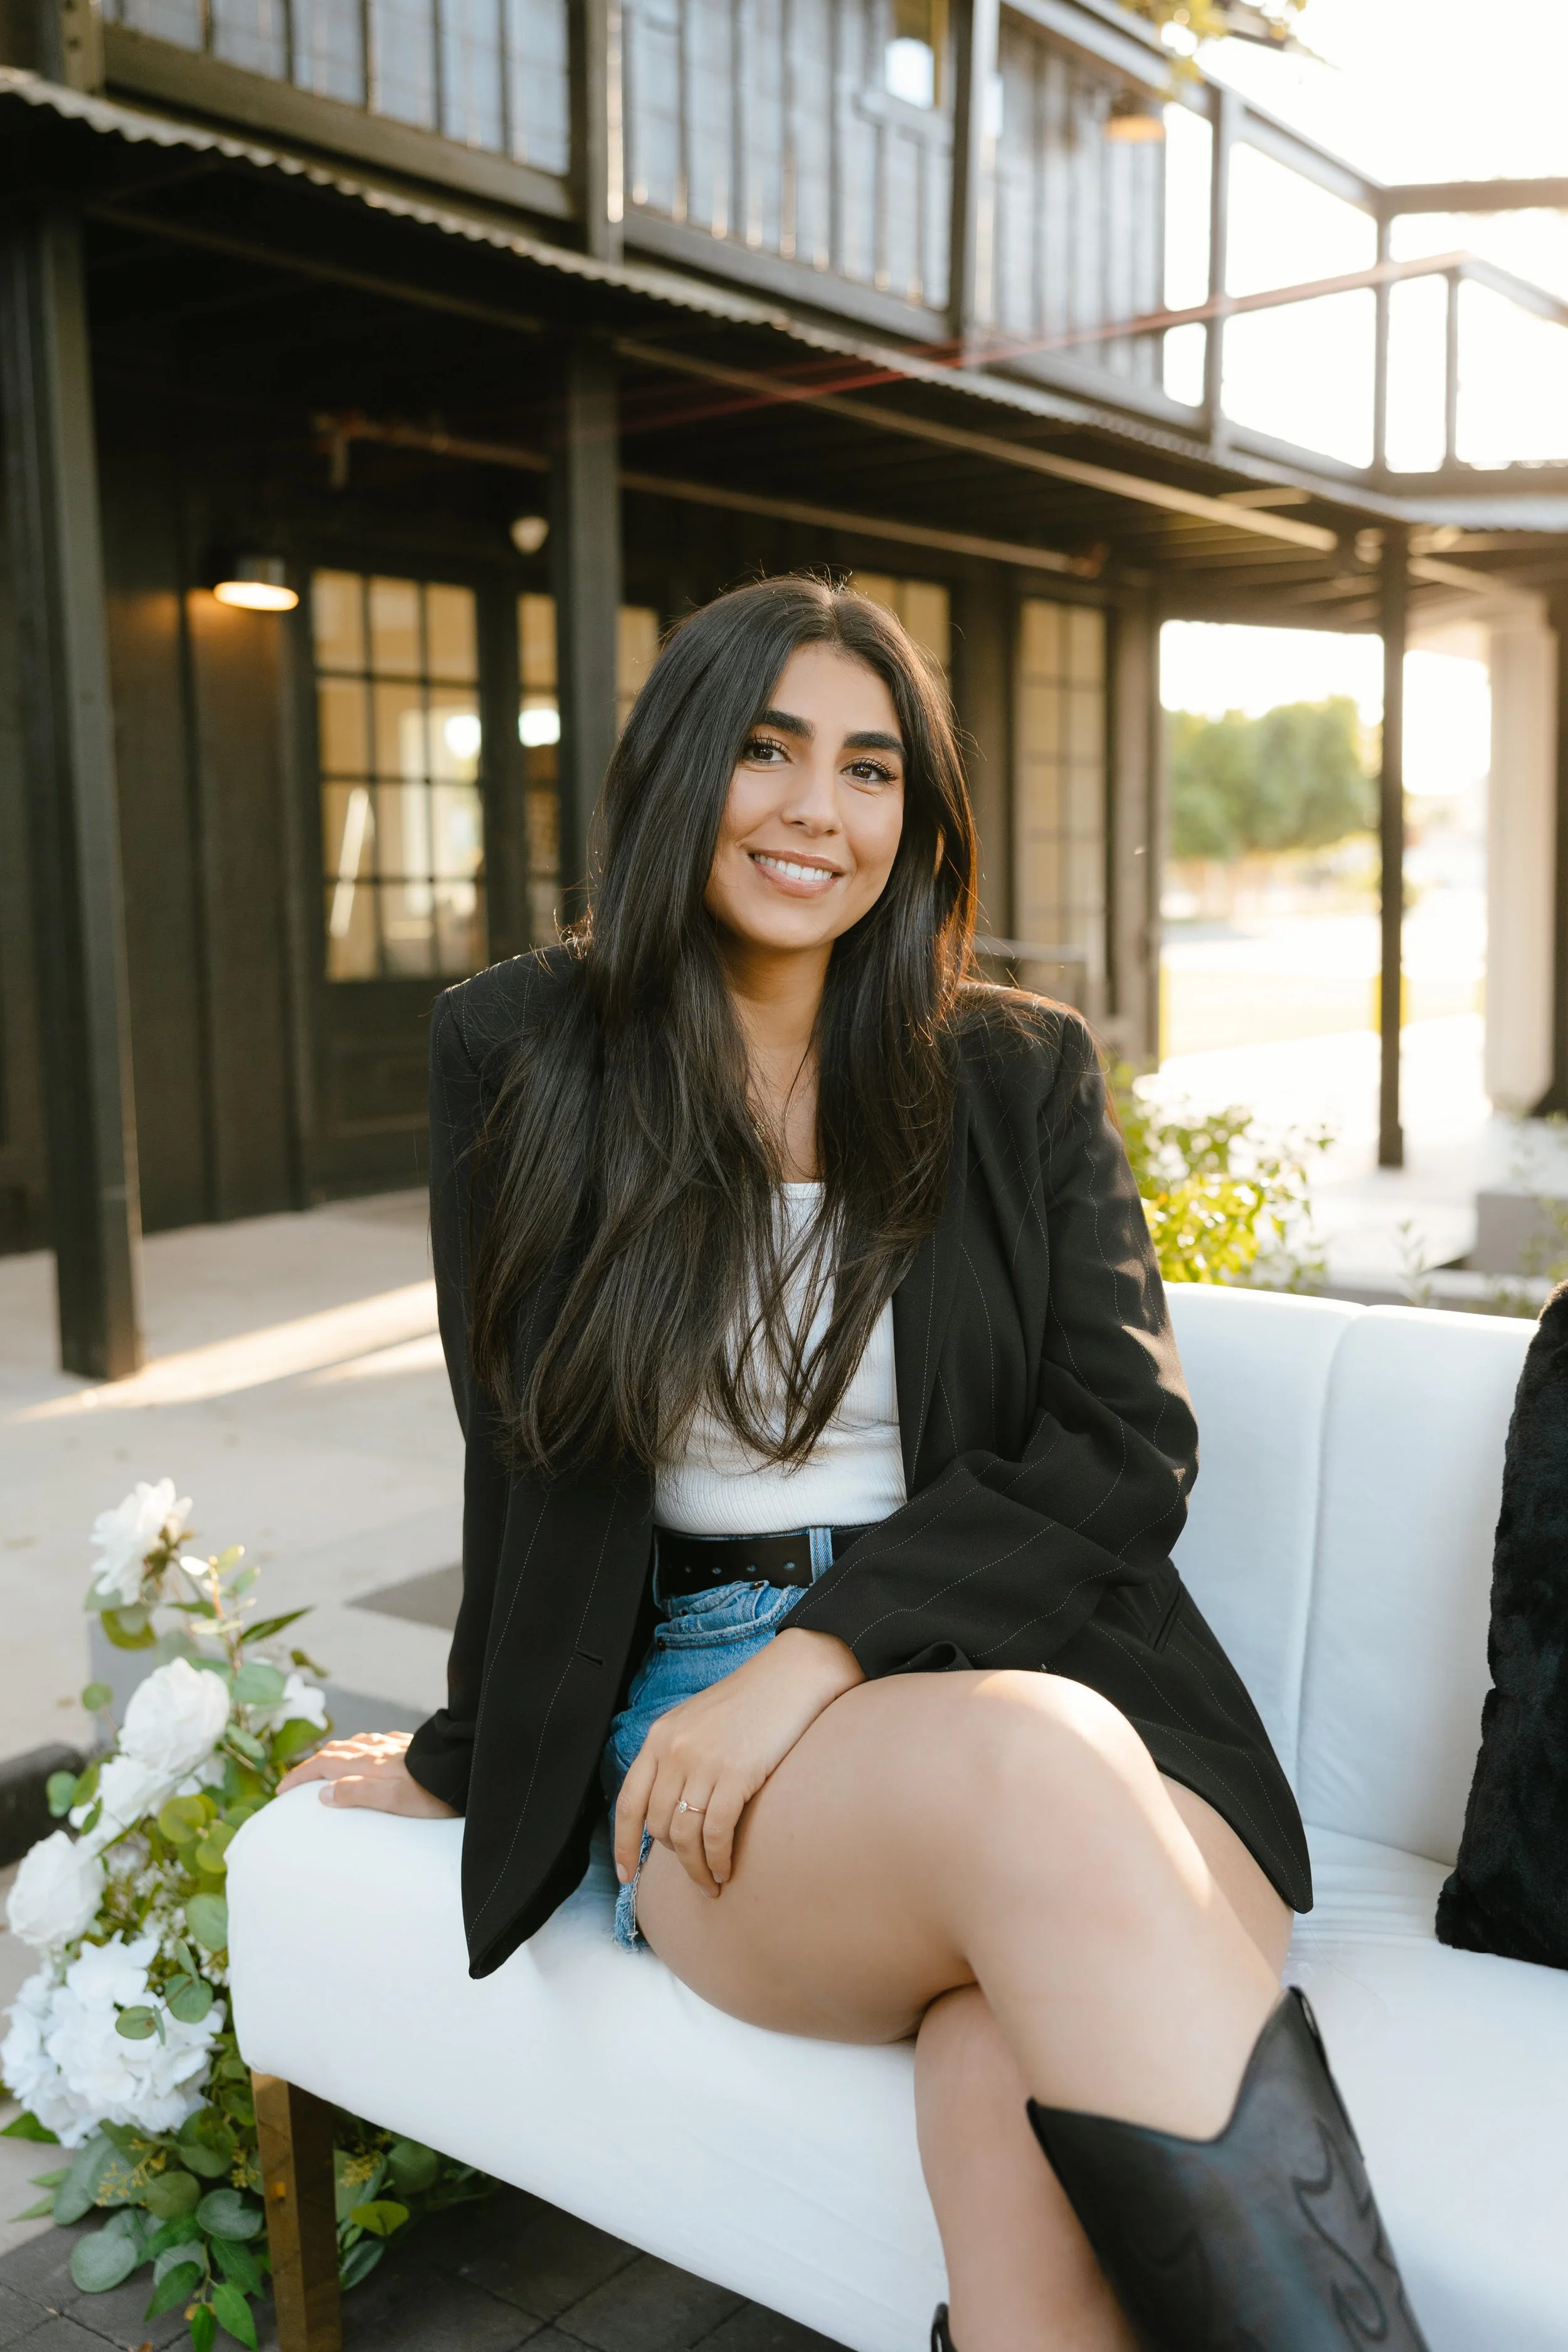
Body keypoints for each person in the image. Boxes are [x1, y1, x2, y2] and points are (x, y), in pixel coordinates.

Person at [281, 577, 1427, 2351]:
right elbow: (514, 1443)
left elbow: (1126, 1444)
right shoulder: (521, 1055)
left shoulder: (1015, 1070)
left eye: (872, 767)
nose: (820, 809)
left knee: (1000, 2044)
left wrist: (823, 1659)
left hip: (1075, 1688)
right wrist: (467, 1745)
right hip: (717, 1714)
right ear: (681, 771)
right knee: (1033, 1785)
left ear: (917, 812)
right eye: (768, 749)